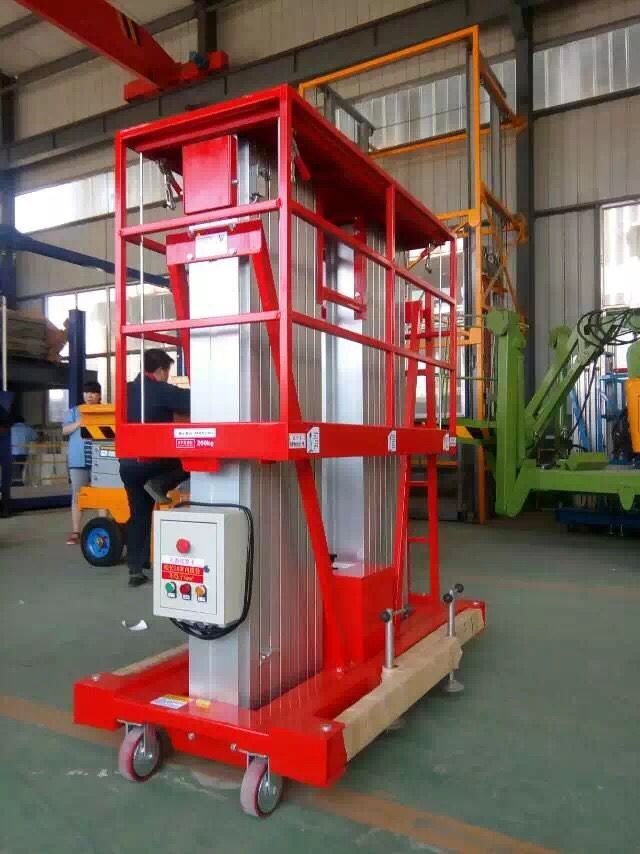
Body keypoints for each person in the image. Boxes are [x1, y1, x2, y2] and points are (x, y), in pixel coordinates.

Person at [120, 349, 190, 588]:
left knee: (138, 515)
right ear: (160, 370)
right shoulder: (161, 390)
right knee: (191, 460)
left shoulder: (126, 389)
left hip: (128, 465)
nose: (167, 376)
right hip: (153, 463)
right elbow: (194, 400)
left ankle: (136, 570)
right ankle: (160, 483)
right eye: (167, 372)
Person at [62, 381, 102, 544]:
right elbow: (64, 430)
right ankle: (76, 531)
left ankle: (104, 527)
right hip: (78, 460)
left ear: (99, 395)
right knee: (77, 495)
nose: (89, 396)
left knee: (103, 495)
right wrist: (79, 422)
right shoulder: (74, 412)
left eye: (93, 392)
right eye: (86, 392)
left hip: (101, 460)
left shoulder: (105, 410)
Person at [10, 416, 37, 486]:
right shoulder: (28, 429)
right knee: (19, 467)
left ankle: (16, 482)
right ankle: (18, 482)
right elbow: (35, 437)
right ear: (23, 422)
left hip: (11, 452)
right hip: (23, 453)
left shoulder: (10, 429)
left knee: (15, 468)